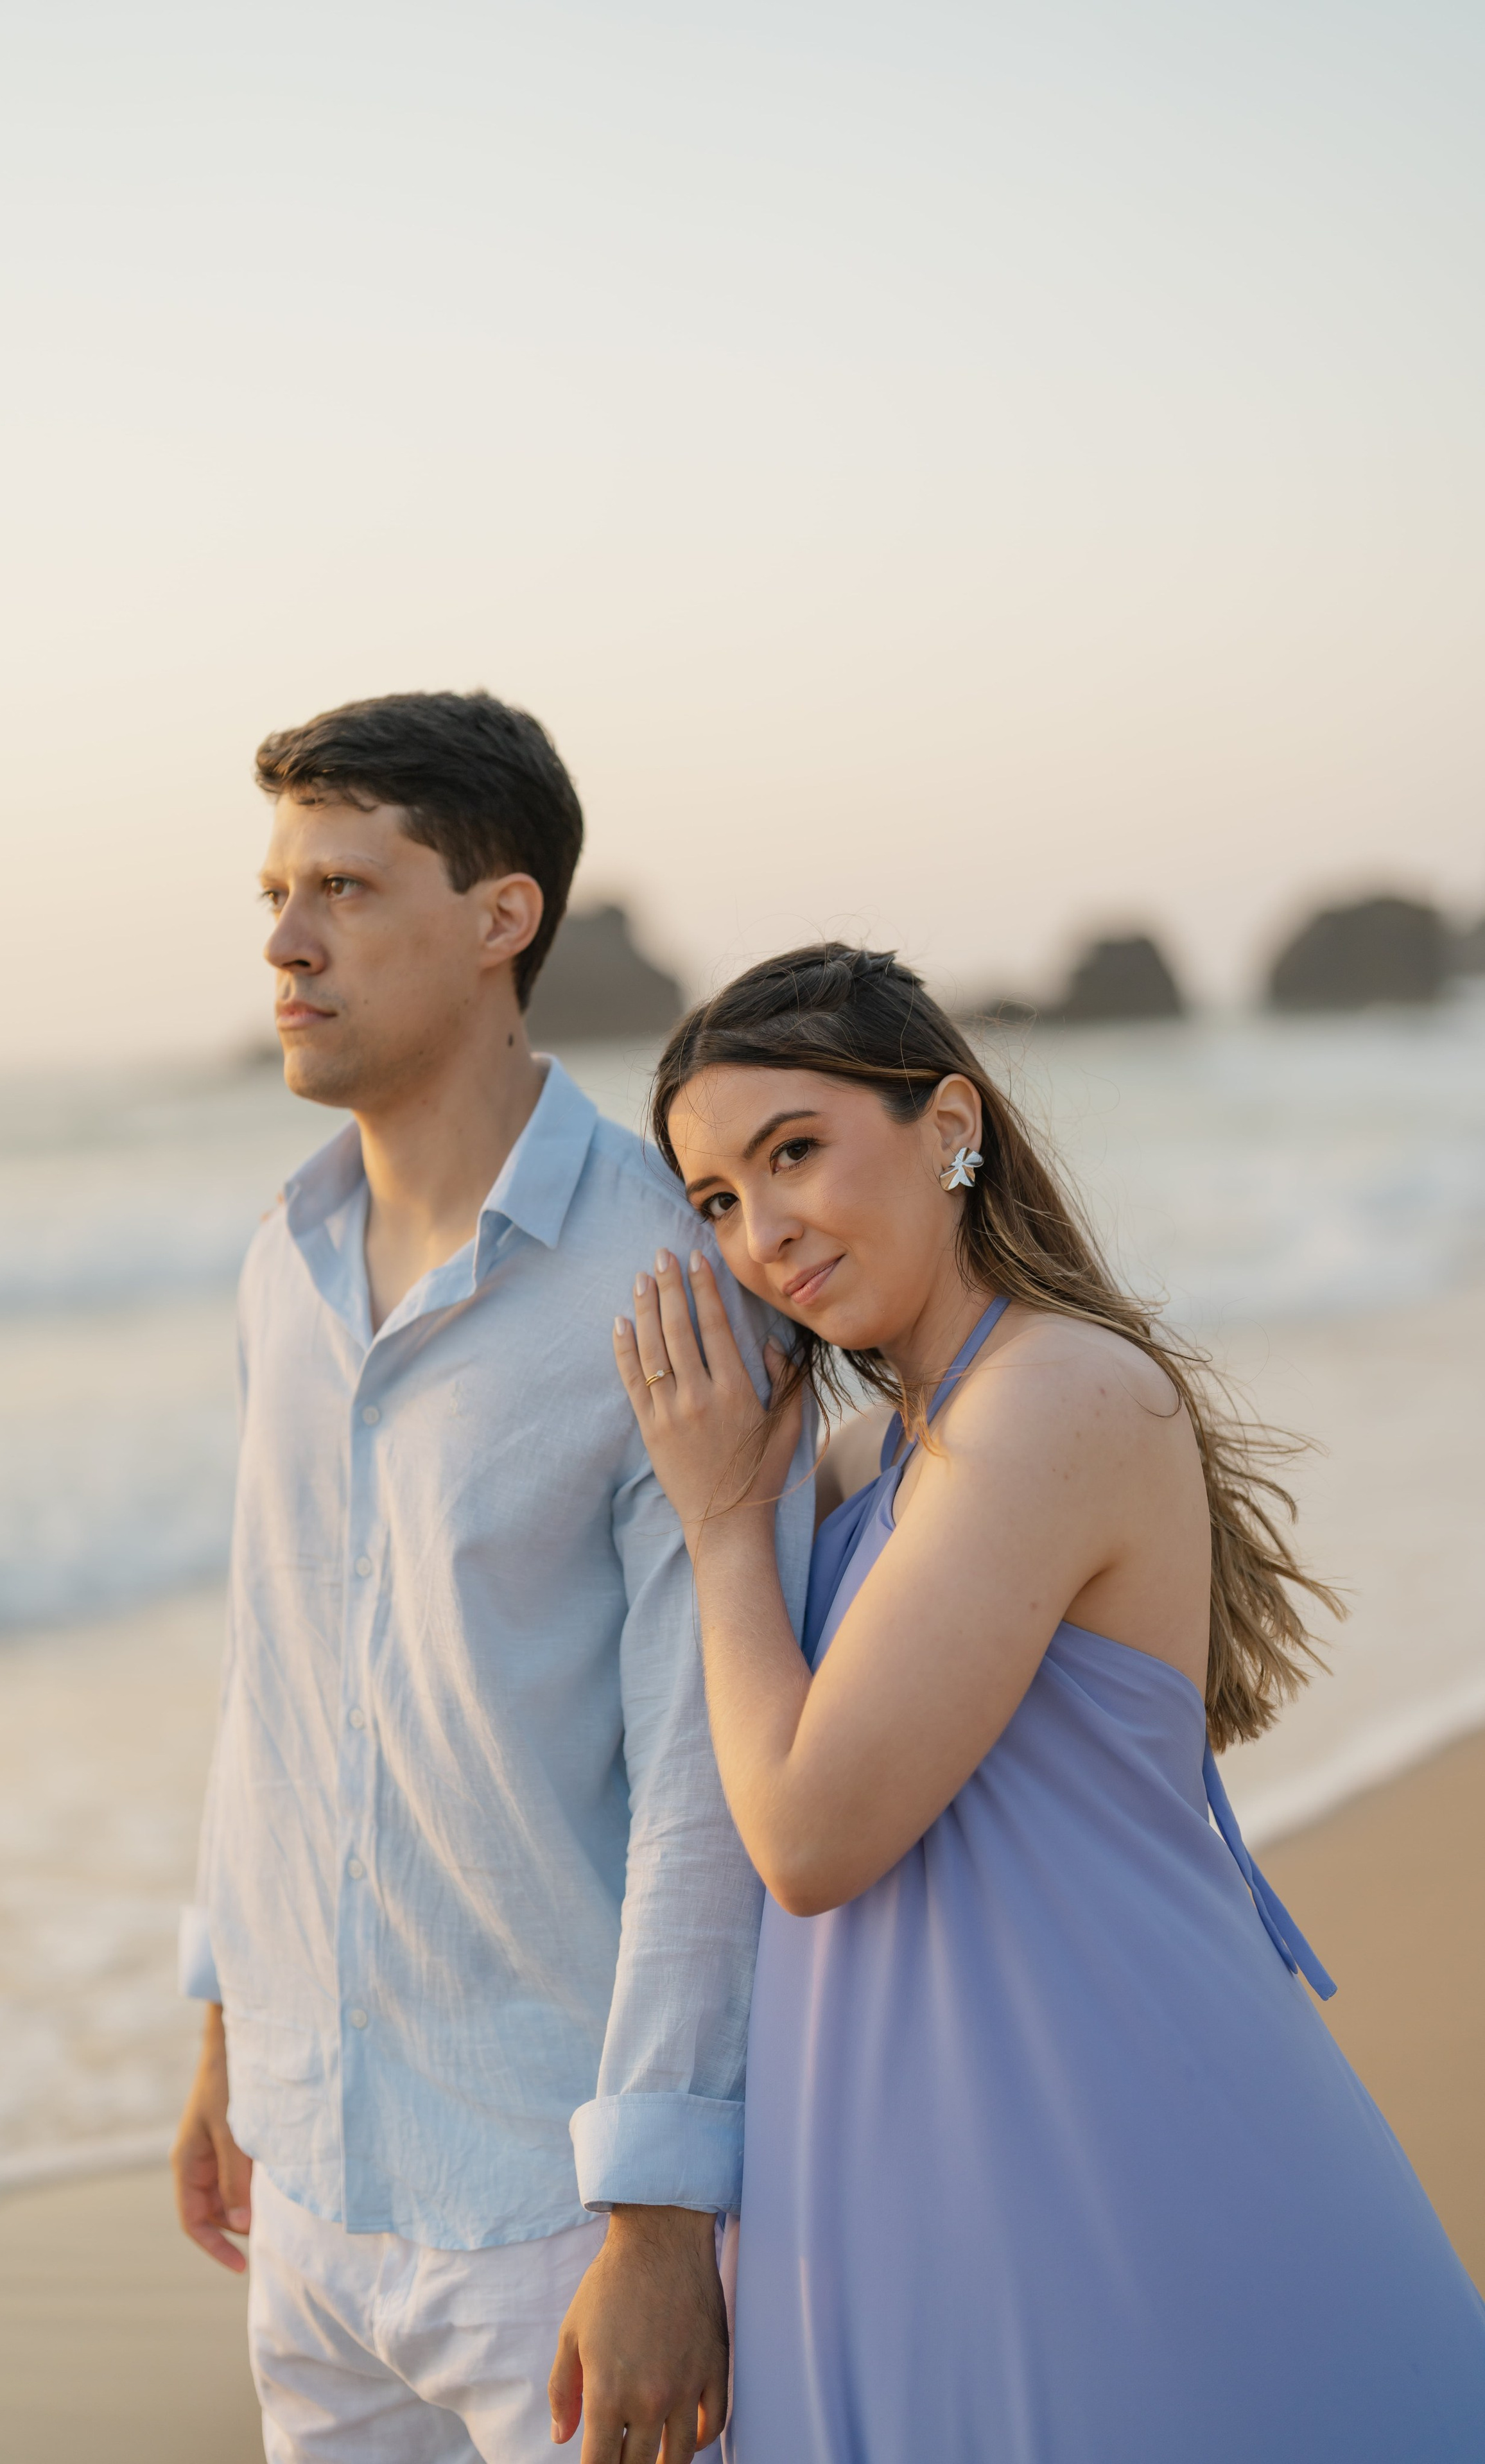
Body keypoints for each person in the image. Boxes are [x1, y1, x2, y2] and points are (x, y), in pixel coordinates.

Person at [614, 941, 1485, 2462]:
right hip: (892, 2168)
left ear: (949, 1125)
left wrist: (714, 1528)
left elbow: (808, 1833)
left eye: (794, 1151)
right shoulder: (855, 1463)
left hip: (1105, 2145)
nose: (763, 1234)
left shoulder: (1057, 1394)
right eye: (715, 1202)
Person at [170, 691, 810, 2464]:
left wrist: (665, 2215)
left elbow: (704, 1777)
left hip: (551, 2208)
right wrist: (231, 2023)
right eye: (279, 890)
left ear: (500, 917)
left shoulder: (667, 1283)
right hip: (307, 2188)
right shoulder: (280, 1259)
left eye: (351, 889)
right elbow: (271, 1673)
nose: (288, 941)